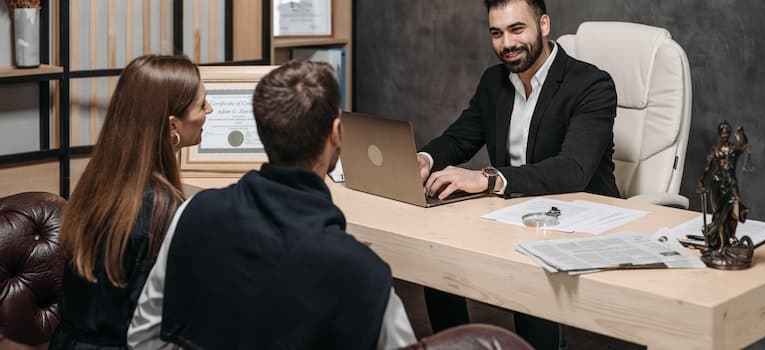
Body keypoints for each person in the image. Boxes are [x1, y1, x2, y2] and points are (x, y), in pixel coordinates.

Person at [127, 61, 416, 349]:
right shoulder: (364, 273)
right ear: (336, 132)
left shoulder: (192, 214)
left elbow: (142, 338)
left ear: (263, 132)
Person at [416, 0, 619, 348]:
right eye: (496, 33)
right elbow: (459, 138)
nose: (506, 43)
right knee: (437, 254)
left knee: (529, 269)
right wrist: (424, 158)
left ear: (543, 24)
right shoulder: (494, 82)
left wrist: (489, 178)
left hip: (578, 219)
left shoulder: (591, 84)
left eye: (516, 29)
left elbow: (573, 169)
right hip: (514, 213)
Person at [50, 54, 213, 349]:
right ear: (172, 126)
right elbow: (156, 330)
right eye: (202, 104)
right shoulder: (162, 208)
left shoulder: (98, 183)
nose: (209, 110)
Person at [697, 121, 751, 266]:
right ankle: (721, 245)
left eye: (728, 132)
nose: (725, 134)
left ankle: (731, 236)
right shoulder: (715, 150)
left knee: (734, 211)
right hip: (717, 185)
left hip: (731, 184)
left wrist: (741, 135)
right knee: (720, 216)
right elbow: (708, 166)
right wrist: (702, 181)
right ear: (719, 134)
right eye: (723, 132)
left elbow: (744, 146)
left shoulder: (733, 150)